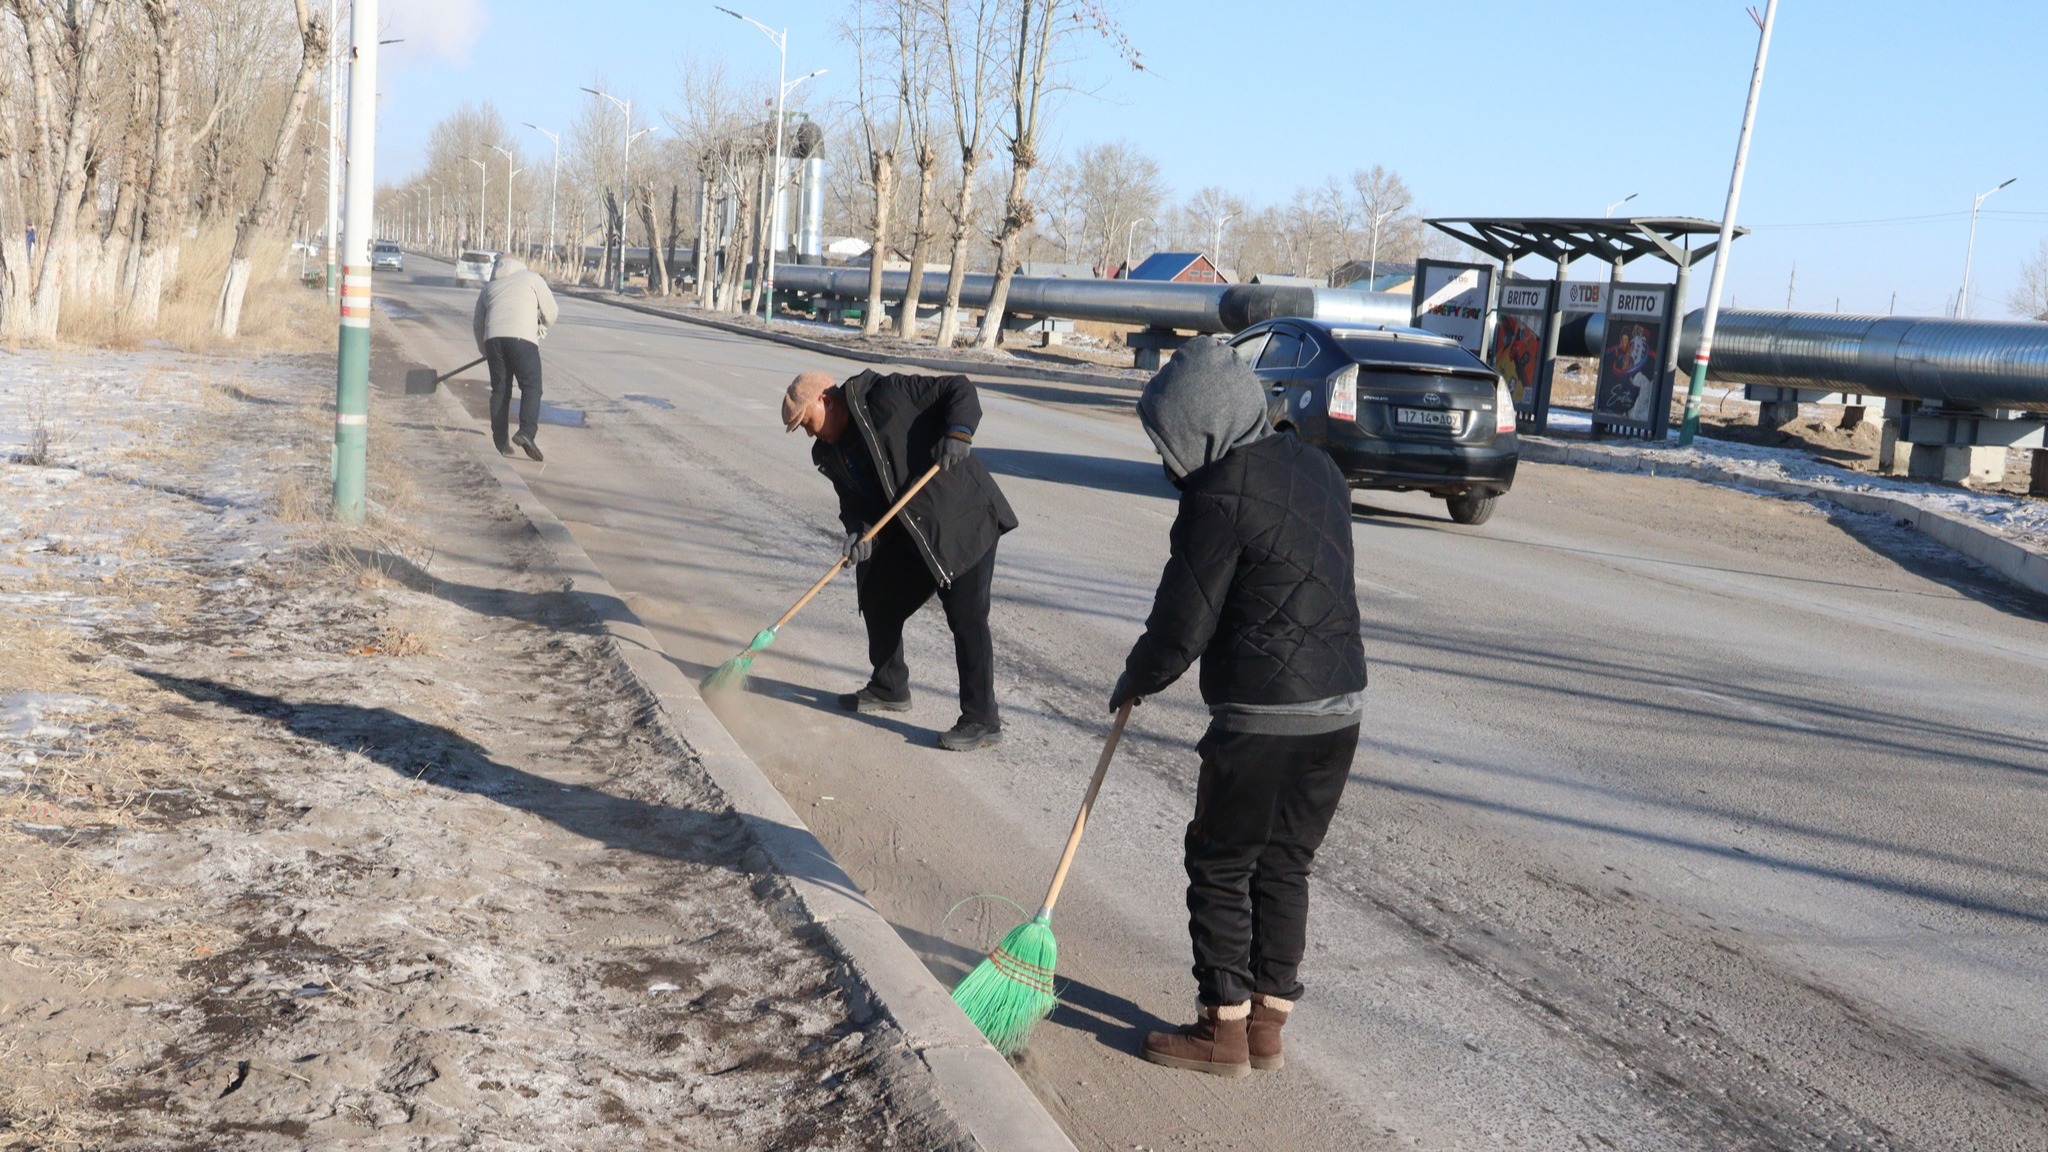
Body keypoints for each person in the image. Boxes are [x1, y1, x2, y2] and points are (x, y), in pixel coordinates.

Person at [1110, 336, 1367, 1078]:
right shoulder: (1319, 466)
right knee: (1285, 863)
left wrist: (1136, 679)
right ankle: (1266, 1024)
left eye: (1169, 441)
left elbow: (1181, 626)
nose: (1166, 460)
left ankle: (1219, 1029)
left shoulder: (1217, 496)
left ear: (1200, 428)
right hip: (1341, 708)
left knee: (1221, 863)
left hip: (1262, 716)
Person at [782, 369, 1018, 752]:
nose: (810, 434)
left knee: (966, 617)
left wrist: (958, 431)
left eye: (808, 423)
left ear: (825, 400)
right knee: (876, 590)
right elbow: (854, 504)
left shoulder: (885, 393)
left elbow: (958, 388)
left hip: (960, 519)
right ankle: (890, 684)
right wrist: (859, 532)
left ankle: (982, 718)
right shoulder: (831, 453)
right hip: (913, 535)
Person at [471, 255, 559, 460]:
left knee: (500, 389)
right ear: (520, 264)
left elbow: (478, 323)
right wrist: (542, 328)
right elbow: (551, 311)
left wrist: (485, 349)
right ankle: (526, 432)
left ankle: (500, 442)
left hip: (493, 339)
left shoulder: (489, 288)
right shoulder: (531, 278)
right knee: (531, 386)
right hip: (522, 339)